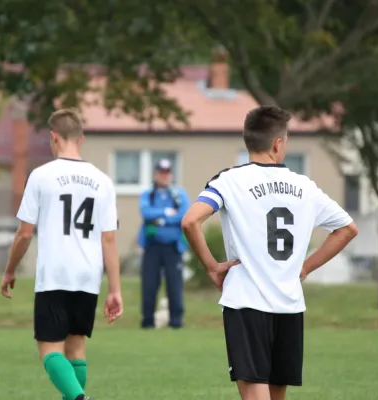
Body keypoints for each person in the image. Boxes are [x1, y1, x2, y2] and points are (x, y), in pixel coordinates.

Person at [181, 106, 358, 400]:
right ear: (278, 144)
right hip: (289, 306)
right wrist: (305, 268)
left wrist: (212, 267)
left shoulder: (229, 181)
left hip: (246, 304)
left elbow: (190, 221)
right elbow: (347, 229)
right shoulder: (305, 186)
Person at [0, 108, 123, 400]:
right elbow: (109, 240)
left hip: (55, 274)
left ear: (53, 137)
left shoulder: (41, 176)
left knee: (49, 349)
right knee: (76, 347)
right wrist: (114, 290)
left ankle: (81, 399)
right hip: (88, 276)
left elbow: (25, 233)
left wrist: (9, 270)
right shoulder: (103, 181)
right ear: (80, 139)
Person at [138, 159, 190, 329]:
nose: (164, 176)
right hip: (152, 246)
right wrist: (166, 213)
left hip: (172, 246)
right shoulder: (148, 194)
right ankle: (147, 321)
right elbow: (146, 213)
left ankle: (176, 321)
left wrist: (159, 220)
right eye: (161, 173)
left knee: (174, 285)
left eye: (167, 173)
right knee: (149, 285)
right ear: (155, 175)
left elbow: (183, 215)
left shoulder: (179, 194)